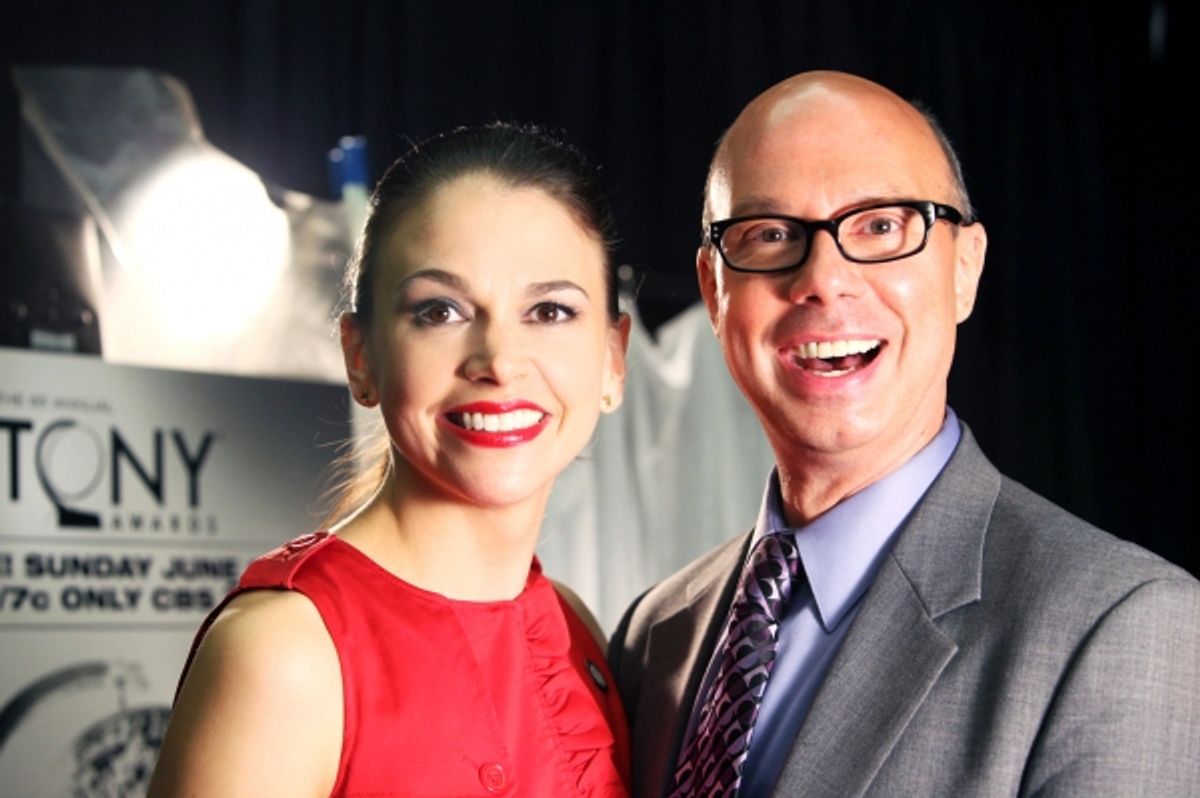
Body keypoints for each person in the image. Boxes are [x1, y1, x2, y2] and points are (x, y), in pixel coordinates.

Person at [608, 71, 1200, 797]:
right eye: (771, 235)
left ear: (965, 269)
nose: (824, 279)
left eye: (881, 226)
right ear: (714, 290)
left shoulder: (1120, 625)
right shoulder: (654, 634)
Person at [149, 123, 633, 797]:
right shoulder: (285, 653)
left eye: (550, 311)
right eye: (440, 311)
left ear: (613, 359)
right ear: (360, 357)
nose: (499, 361)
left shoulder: (575, 627)